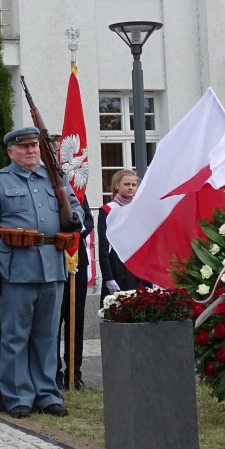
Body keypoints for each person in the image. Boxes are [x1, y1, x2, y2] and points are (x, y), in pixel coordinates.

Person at [0, 126, 82, 418]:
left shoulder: (55, 176)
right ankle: (18, 395)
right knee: (15, 336)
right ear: (11, 152)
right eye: (24, 147)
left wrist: (74, 221)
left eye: (34, 146)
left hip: (52, 266)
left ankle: (47, 394)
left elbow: (75, 206)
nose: (31, 151)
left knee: (47, 337)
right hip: (15, 269)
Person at [50, 135, 94, 391]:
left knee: (75, 321)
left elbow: (87, 220)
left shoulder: (76, 187)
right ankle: (53, 373)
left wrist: (74, 231)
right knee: (52, 322)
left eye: (60, 151)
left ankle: (73, 374)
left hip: (76, 261)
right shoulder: (44, 183)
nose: (58, 155)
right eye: (54, 151)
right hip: (53, 259)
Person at [98, 169, 152, 305]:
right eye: (127, 184)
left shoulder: (141, 209)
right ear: (117, 185)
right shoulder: (108, 210)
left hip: (141, 265)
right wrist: (108, 277)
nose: (131, 188)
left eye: (134, 185)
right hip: (118, 266)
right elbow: (103, 249)